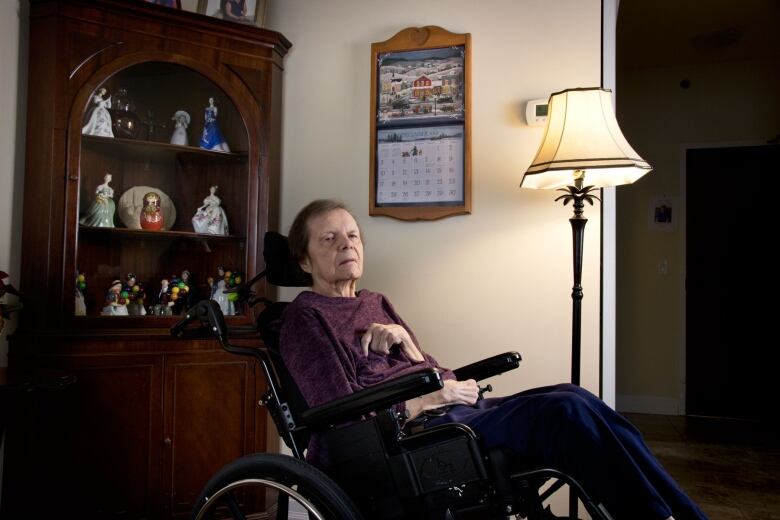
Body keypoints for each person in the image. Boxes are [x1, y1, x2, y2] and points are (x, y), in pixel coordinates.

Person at [279, 199, 708, 520]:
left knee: (575, 395)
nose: (345, 245)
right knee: (564, 411)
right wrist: (429, 398)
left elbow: (434, 371)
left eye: (352, 235)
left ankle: (680, 514)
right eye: (328, 239)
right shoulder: (305, 318)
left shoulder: (376, 301)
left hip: (450, 411)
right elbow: (337, 415)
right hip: (403, 437)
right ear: (304, 258)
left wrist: (408, 346)